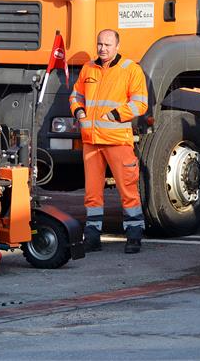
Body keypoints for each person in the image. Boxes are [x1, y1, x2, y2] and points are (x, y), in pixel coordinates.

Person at [69, 29, 148, 254]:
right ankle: (92, 236)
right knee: (92, 192)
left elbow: (140, 103)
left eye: (107, 45)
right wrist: (79, 113)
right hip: (91, 141)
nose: (103, 48)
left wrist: (114, 115)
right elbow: (76, 95)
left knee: (128, 189)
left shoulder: (131, 70)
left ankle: (134, 235)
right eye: (100, 44)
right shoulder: (89, 68)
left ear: (117, 46)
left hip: (116, 141)